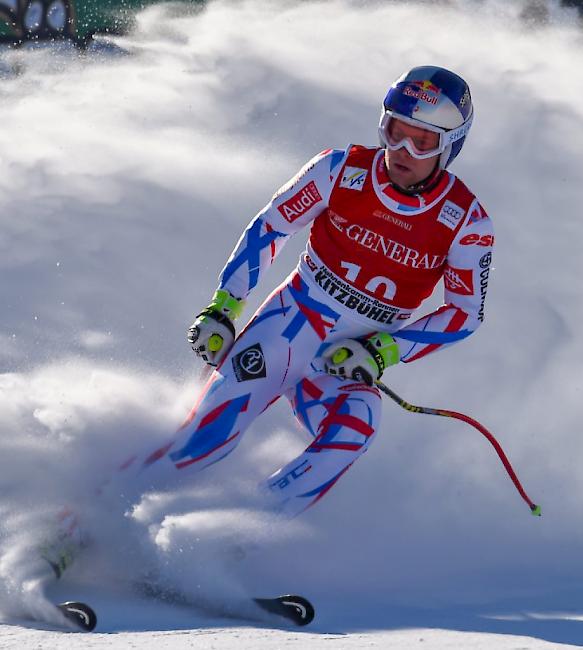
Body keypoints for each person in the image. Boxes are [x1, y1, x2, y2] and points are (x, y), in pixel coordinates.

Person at [45, 67, 494, 572]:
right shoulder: (338, 169)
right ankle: (74, 528)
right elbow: (270, 229)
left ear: (450, 148)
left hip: (343, 362)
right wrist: (223, 309)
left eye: (422, 142)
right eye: (395, 132)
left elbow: (463, 313)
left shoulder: (465, 222)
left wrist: (383, 349)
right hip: (288, 328)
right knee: (205, 440)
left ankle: (218, 544)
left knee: (357, 427)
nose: (402, 153)